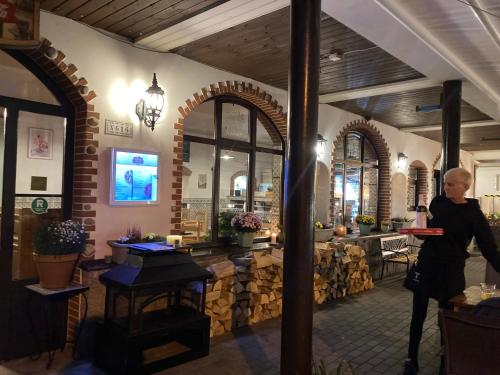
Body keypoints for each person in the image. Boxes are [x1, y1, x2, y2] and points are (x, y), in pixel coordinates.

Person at [403, 167, 500, 375]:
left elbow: (489, 249)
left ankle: (446, 360)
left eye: (450, 184)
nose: (444, 187)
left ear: (465, 187)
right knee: (417, 315)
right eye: (444, 183)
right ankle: (411, 359)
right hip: (427, 264)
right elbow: (428, 230)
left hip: (451, 270)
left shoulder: (474, 213)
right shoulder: (437, 203)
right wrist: (421, 233)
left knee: (446, 318)